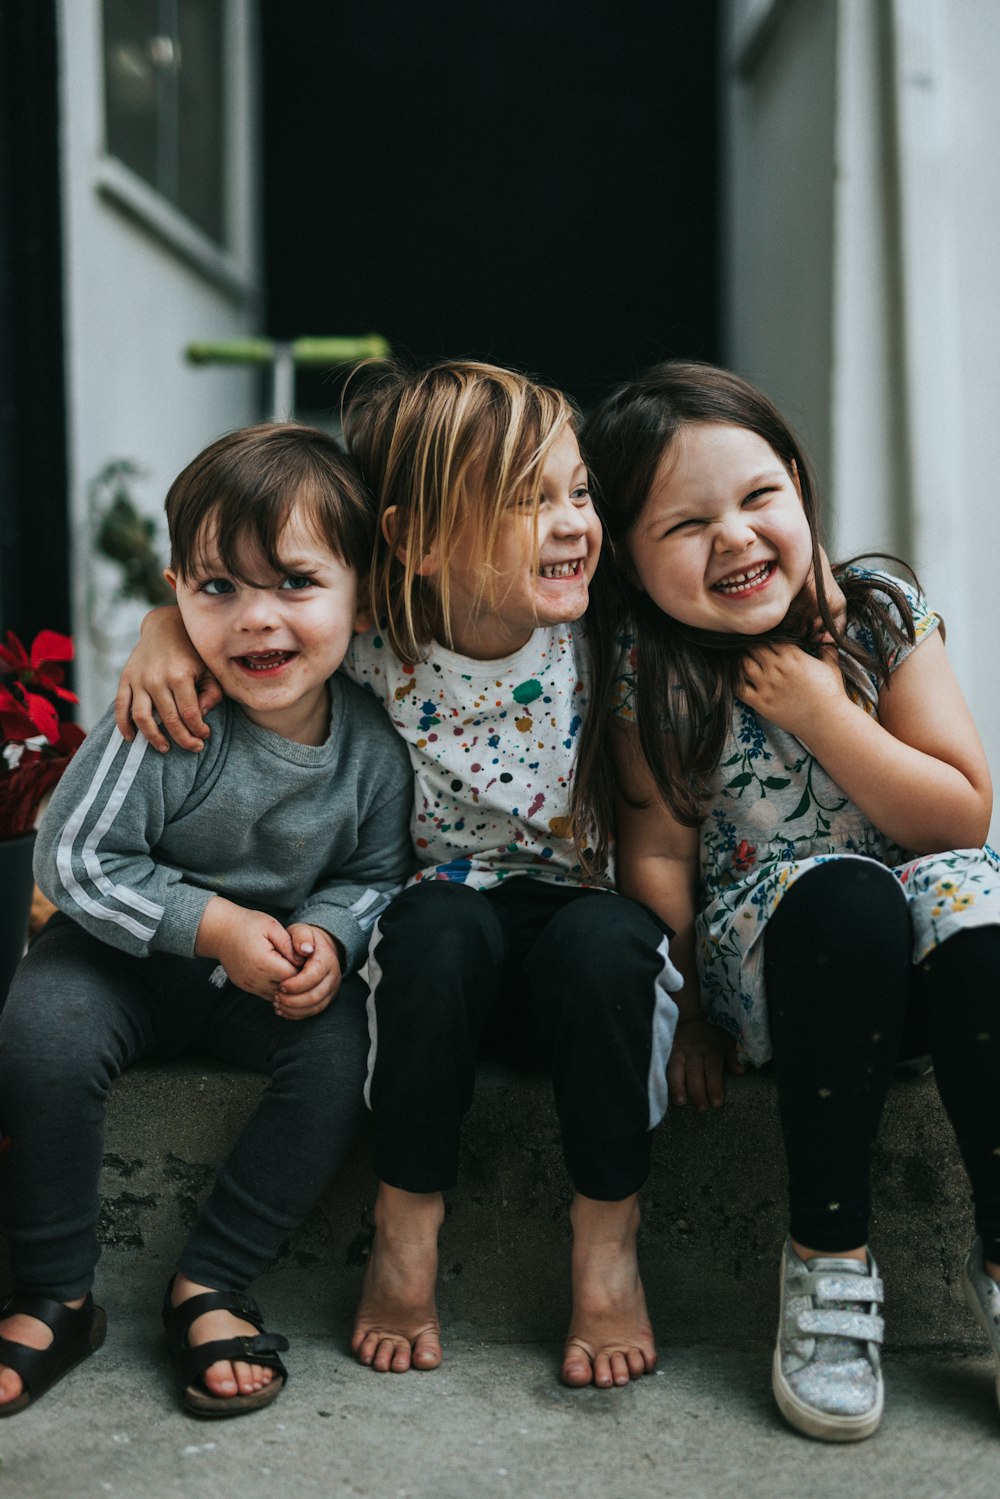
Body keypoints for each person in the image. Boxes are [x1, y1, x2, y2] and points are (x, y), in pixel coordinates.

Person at [111, 360, 685, 1390]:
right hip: (435, 959)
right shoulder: (380, 641)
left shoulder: (605, 637)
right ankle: (405, 1225)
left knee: (611, 942)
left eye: (576, 491)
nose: (569, 522)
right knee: (434, 923)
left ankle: (607, 1244)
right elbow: (265, 614)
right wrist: (161, 630)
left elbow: (656, 838)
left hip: (579, 947)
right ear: (416, 542)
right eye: (525, 499)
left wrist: (708, 1011)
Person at [576, 359, 1000, 1441]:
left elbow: (958, 815)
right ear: (626, 554)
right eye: (683, 523)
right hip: (788, 979)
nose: (734, 536)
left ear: (800, 488)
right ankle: (826, 1254)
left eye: (758, 496)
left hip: (929, 972)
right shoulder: (650, 669)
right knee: (846, 897)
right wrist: (691, 1016)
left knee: (974, 892)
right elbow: (658, 860)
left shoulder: (877, 614)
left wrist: (822, 710)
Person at [0, 423, 414, 1418]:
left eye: (294, 584)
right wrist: (213, 922)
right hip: (114, 959)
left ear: (362, 594)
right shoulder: (170, 715)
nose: (254, 620)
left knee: (337, 1059)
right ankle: (56, 1290)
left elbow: (374, 870)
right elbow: (72, 855)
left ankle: (212, 1280)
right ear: (176, 590)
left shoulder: (373, 749)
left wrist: (329, 932)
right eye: (216, 586)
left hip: (264, 980)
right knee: (40, 1032)